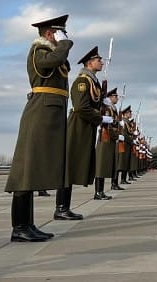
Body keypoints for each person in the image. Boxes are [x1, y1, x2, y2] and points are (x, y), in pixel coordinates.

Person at [5, 14, 72, 242]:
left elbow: (61, 64)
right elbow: (50, 63)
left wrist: (62, 44)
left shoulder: (52, 53)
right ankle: (20, 226)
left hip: (49, 113)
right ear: (49, 34)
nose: (65, 37)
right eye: (60, 32)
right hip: (39, 114)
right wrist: (64, 43)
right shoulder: (38, 51)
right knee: (26, 171)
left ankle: (28, 224)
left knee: (32, 172)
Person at [58, 46, 107, 220]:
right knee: (69, 167)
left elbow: (92, 102)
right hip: (78, 127)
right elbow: (80, 107)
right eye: (99, 60)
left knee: (74, 166)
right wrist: (100, 118)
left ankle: (65, 207)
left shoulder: (92, 81)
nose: (101, 62)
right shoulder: (82, 81)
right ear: (90, 62)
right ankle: (61, 208)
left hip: (86, 127)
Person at [94, 87, 119, 200]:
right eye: (115, 96)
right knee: (101, 166)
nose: (117, 98)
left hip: (110, 139)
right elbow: (106, 123)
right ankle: (98, 192)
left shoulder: (112, 109)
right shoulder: (106, 108)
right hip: (105, 139)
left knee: (104, 166)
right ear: (109, 97)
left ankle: (101, 191)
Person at [115, 106, 132, 187]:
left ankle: (123, 179)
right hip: (123, 144)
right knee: (120, 163)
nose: (131, 114)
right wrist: (131, 140)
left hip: (126, 145)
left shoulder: (127, 122)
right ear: (125, 114)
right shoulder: (123, 122)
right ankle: (116, 182)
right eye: (129, 113)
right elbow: (124, 134)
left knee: (125, 163)